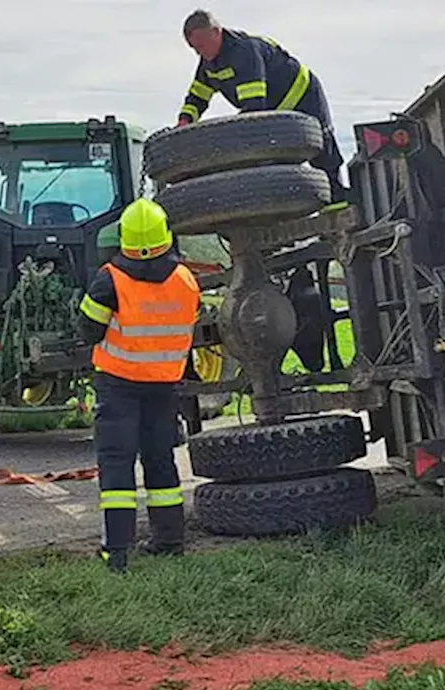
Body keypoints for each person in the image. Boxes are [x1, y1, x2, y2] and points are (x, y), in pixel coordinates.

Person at [77, 197, 200, 572]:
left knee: (117, 465)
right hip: (163, 386)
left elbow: (87, 331)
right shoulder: (186, 280)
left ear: (124, 238)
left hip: (118, 385)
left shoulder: (109, 279)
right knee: (161, 462)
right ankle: (169, 541)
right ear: (165, 235)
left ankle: (116, 551)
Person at [178, 9, 350, 212]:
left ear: (216, 32)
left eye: (201, 45)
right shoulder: (208, 64)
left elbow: (254, 108)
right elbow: (198, 95)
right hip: (273, 113)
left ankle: (337, 201)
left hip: (303, 96)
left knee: (322, 145)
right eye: (194, 49)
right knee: (274, 161)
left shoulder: (244, 52)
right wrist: (185, 121)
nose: (199, 53)